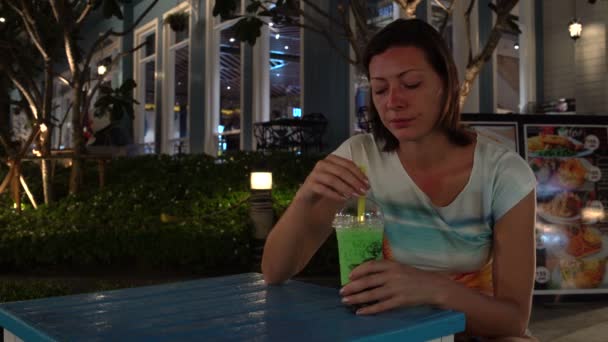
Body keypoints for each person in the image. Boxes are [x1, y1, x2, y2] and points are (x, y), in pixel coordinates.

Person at [261, 18, 537, 341]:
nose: (393, 102)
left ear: (446, 84)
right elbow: (275, 272)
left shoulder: (504, 174)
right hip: (390, 331)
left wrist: (431, 287)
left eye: (411, 84)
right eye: (380, 89)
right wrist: (305, 196)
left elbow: (513, 322)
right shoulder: (359, 158)